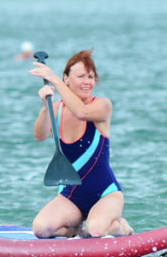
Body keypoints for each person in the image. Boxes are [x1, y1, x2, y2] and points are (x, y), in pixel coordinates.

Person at [29, 49, 132, 239]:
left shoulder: (102, 106)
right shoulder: (56, 109)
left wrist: (54, 80)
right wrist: (46, 107)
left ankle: (121, 227)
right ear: (67, 78)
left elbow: (81, 113)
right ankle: (77, 228)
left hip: (105, 194)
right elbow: (40, 136)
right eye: (81, 76)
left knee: (96, 231)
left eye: (91, 77)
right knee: (41, 229)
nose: (87, 82)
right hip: (70, 196)